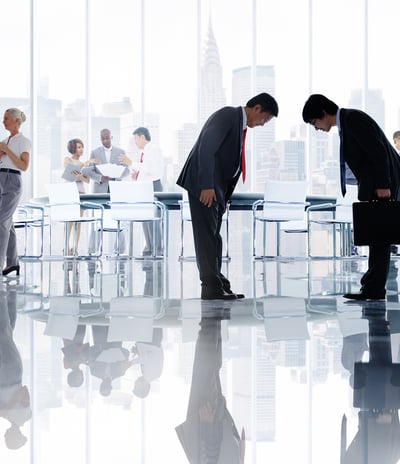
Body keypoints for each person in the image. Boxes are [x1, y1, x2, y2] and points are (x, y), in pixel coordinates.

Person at [177, 92, 279, 300]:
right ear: (257, 108)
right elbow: (206, 148)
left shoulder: (239, 125)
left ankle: (218, 283)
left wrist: (223, 197)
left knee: (214, 237)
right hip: (204, 185)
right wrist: (206, 185)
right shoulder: (228, 115)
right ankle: (211, 287)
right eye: (265, 119)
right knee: (206, 237)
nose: (263, 124)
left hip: (216, 189)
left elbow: (228, 164)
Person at [302, 94, 400, 300]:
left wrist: (383, 184)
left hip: (385, 183)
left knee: (380, 237)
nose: (316, 128)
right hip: (380, 182)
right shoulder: (347, 121)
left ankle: (373, 288)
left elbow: (378, 151)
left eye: (314, 122)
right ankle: (371, 285)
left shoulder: (352, 119)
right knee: (378, 235)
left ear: (322, 113)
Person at [82, 128, 129, 254]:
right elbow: (86, 171)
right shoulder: (95, 153)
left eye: (107, 138)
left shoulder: (120, 152)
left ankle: (120, 250)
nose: (105, 140)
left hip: (116, 189)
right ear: (100, 139)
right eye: (103, 138)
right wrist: (99, 177)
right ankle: (93, 250)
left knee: (119, 218)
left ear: (111, 137)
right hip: (100, 190)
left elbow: (127, 170)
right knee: (97, 219)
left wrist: (116, 174)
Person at [120, 126, 164, 256]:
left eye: (136, 139)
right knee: (146, 219)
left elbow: (151, 169)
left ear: (142, 137)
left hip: (153, 186)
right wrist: (136, 175)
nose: (135, 142)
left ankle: (157, 248)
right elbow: (144, 170)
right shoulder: (143, 152)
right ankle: (150, 247)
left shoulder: (153, 150)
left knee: (153, 219)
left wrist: (131, 163)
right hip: (144, 187)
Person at [0, 108, 31, 277]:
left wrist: (6, 149)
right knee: (7, 223)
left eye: (6, 119)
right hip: (0, 179)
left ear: (16, 121)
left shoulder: (23, 141)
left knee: (1, 222)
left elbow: (23, 166)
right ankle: (12, 263)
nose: (3, 121)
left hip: (12, 181)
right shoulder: (5, 140)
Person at [63, 138, 90, 255]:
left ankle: (75, 248)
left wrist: (80, 176)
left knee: (78, 221)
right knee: (69, 220)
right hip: (69, 192)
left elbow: (87, 180)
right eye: (79, 147)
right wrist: (84, 166)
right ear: (73, 148)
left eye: (82, 147)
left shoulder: (84, 164)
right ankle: (66, 246)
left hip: (81, 192)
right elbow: (70, 170)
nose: (81, 149)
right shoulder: (67, 159)